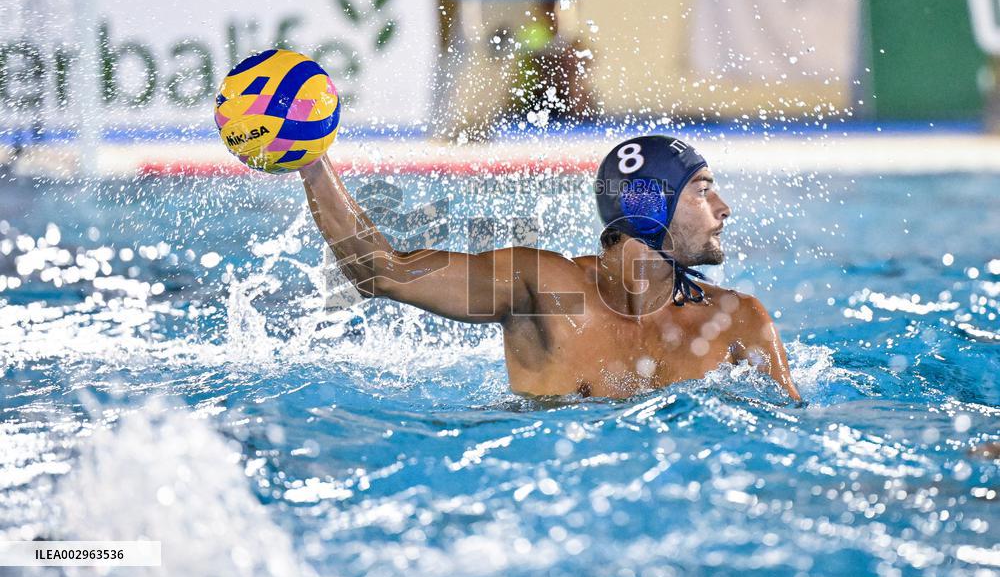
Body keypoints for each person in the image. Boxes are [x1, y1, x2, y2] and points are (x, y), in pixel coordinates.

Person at [300, 135, 801, 401]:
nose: (723, 206)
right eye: (702, 189)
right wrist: (310, 159)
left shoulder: (741, 321)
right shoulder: (537, 287)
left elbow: (793, 433)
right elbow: (381, 272)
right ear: (651, 204)